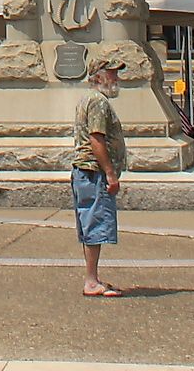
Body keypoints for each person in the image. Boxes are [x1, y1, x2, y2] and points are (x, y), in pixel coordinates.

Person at [72, 52, 128, 298]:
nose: (116, 77)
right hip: (93, 172)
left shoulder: (89, 99)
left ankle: (92, 277)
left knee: (90, 224)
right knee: (94, 224)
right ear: (99, 75)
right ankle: (91, 281)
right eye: (112, 72)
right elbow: (97, 139)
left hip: (86, 172)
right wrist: (110, 173)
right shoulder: (98, 102)